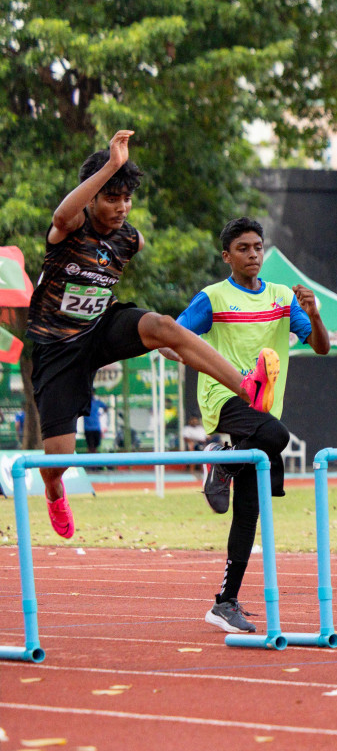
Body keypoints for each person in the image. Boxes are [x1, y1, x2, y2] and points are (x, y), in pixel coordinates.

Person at [25, 132, 279, 540]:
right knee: (58, 459)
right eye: (112, 198)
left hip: (100, 327)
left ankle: (247, 386)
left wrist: (169, 344)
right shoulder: (71, 227)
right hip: (58, 348)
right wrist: (109, 165)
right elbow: (59, 216)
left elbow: (125, 255)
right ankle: (54, 487)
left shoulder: (130, 240)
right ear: (91, 199)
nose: (122, 208)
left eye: (127, 199)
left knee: (162, 325)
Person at [167, 217, 329, 634]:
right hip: (225, 398)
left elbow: (321, 347)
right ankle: (221, 462)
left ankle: (225, 603)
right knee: (278, 437)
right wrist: (206, 363)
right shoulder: (213, 298)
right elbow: (172, 342)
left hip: (261, 410)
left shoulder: (281, 297)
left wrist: (313, 313)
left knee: (249, 510)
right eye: (243, 248)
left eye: (257, 247)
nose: (253, 254)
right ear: (227, 256)